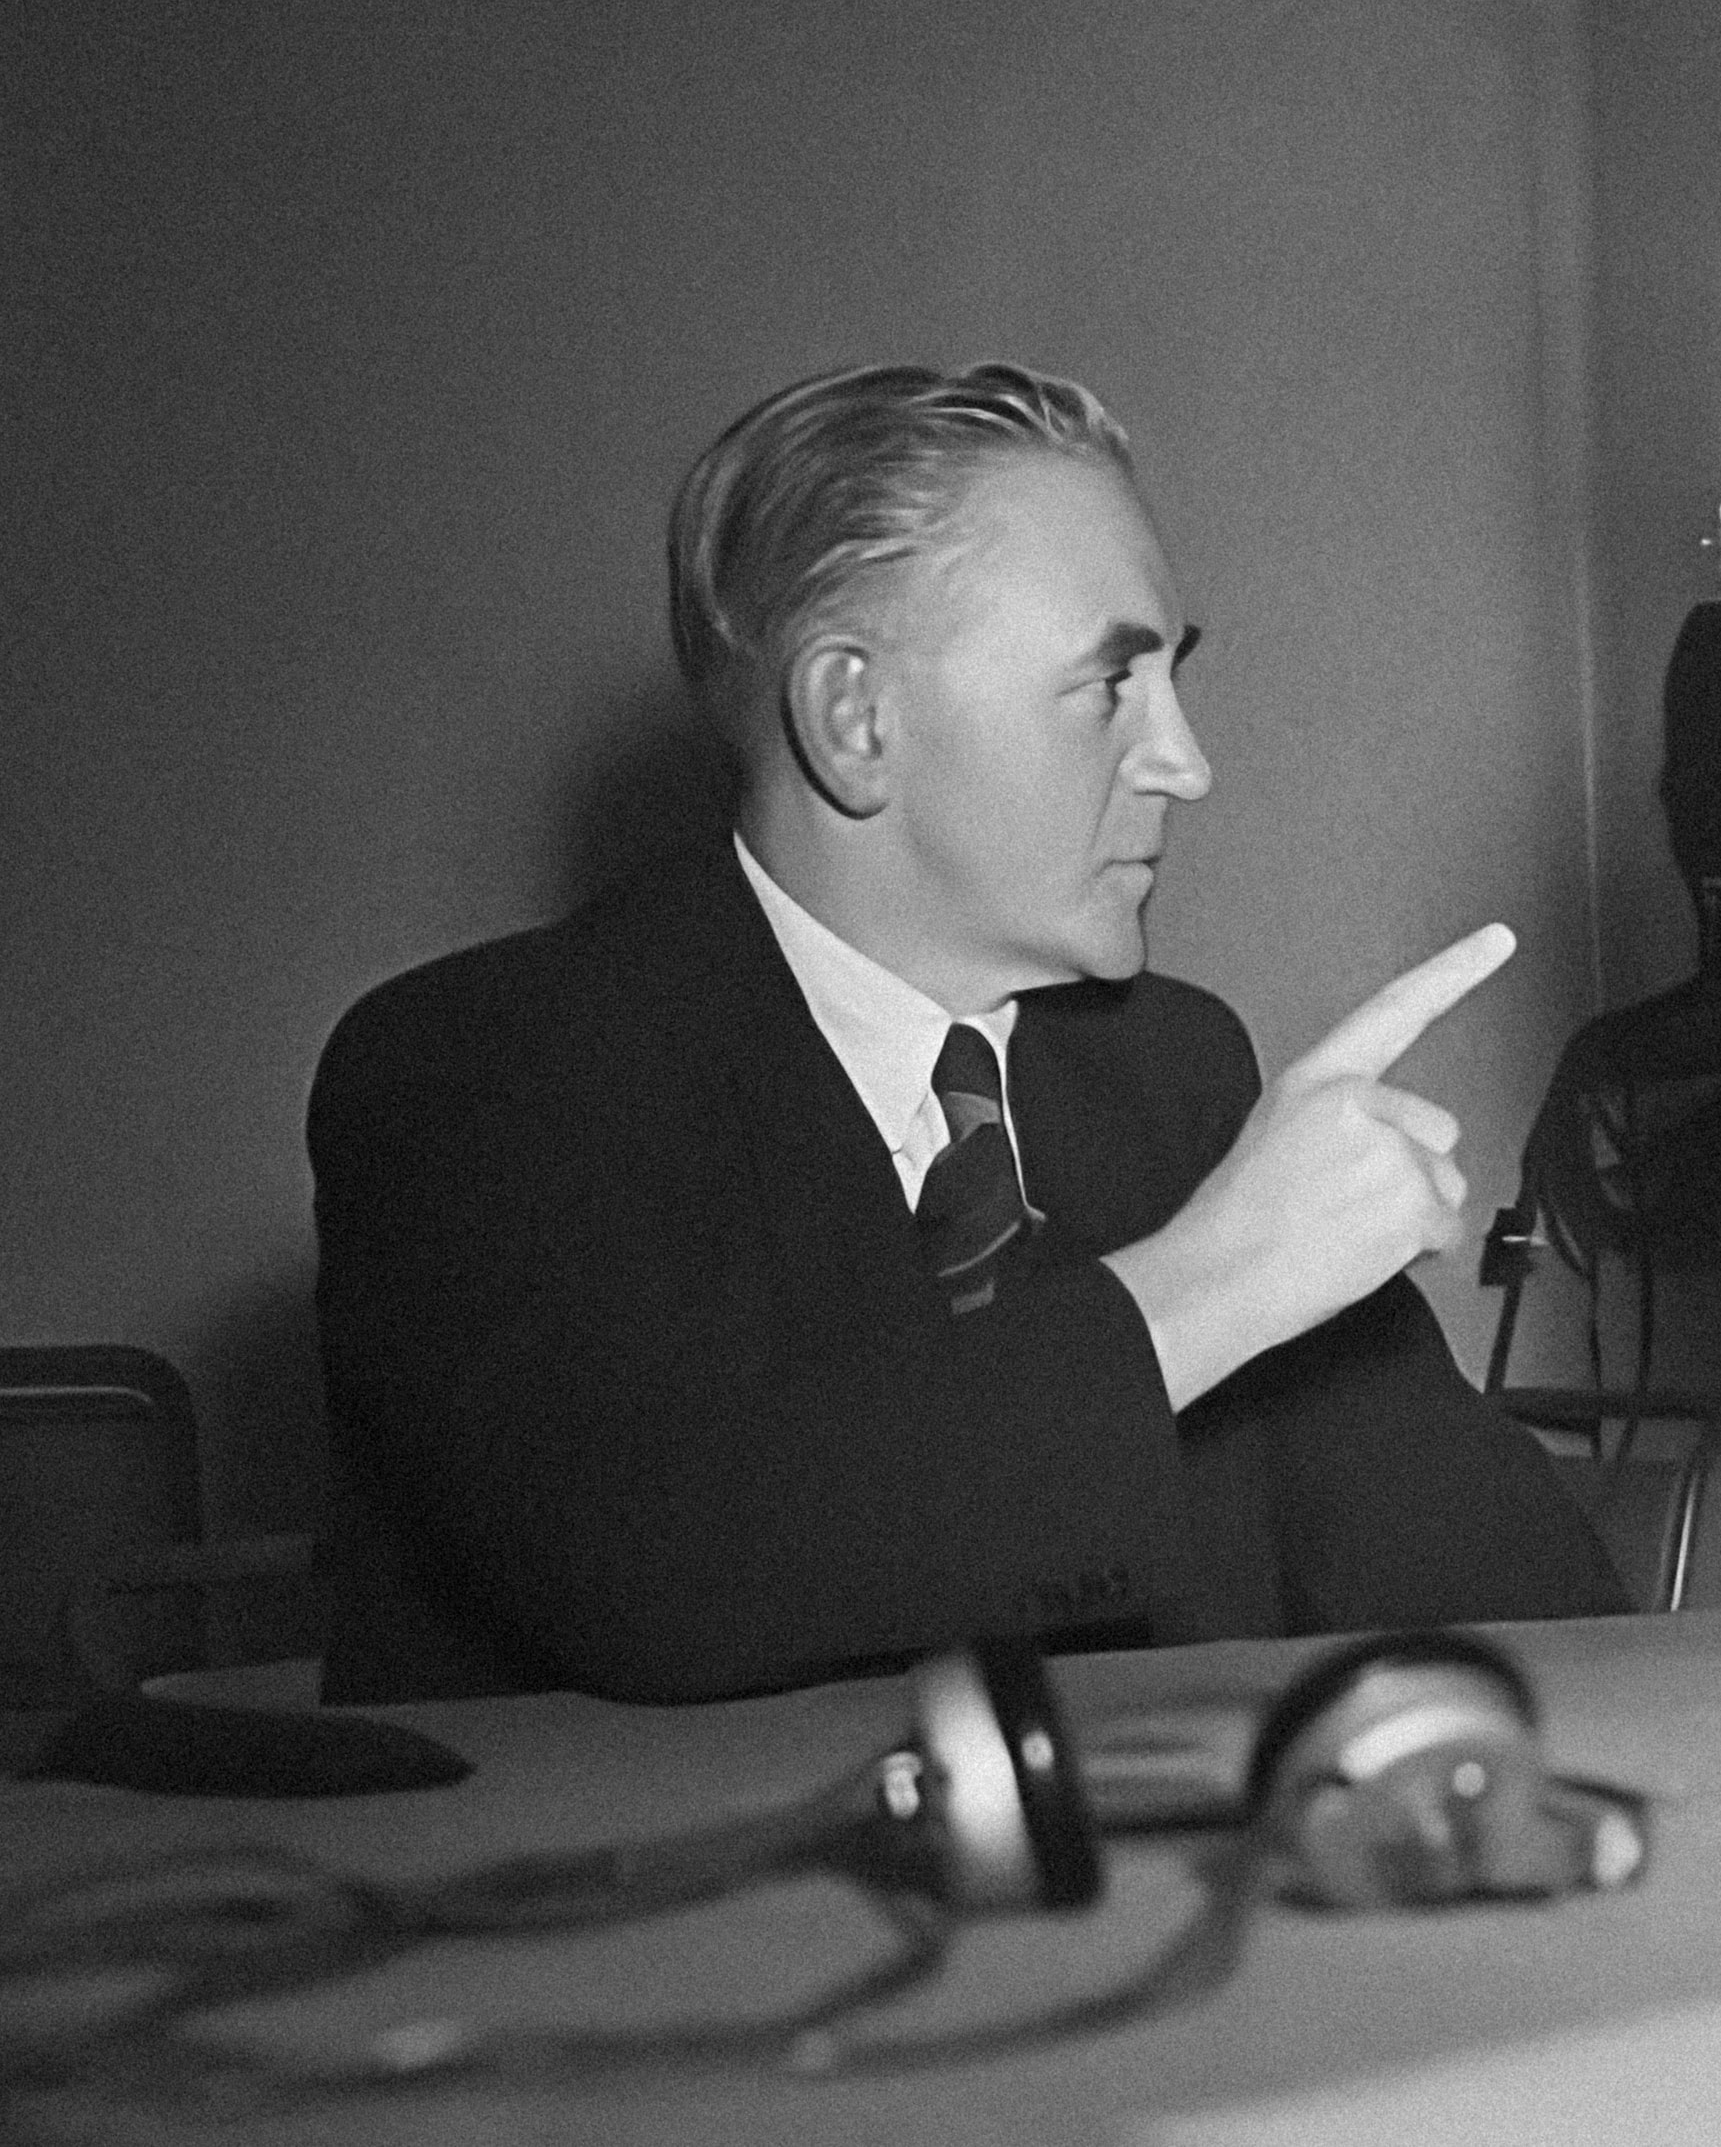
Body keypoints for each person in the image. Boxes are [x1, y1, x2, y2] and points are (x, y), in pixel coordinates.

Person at [312, 363, 1625, 1704]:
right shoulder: (484, 1067)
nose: (1186, 760)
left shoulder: (1168, 1072)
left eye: (1171, 679)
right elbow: (663, 1570)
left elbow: (1523, 1605)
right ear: (855, 720)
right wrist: (1210, 1284)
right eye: (1111, 685)